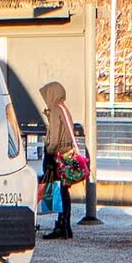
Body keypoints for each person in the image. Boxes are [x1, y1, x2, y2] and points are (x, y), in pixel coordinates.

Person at [39, 81, 79, 239]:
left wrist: (49, 150)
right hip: (67, 154)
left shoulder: (55, 109)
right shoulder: (63, 107)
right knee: (64, 191)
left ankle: (61, 226)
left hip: (58, 155)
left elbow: (54, 135)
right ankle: (65, 225)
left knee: (59, 190)